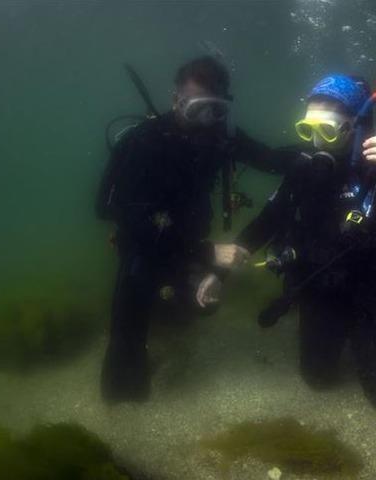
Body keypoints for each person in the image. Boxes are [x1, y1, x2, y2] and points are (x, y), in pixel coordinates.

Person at [233, 74, 376, 410]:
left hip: (374, 295)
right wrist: (240, 248)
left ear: (355, 126)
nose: (316, 142)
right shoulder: (303, 168)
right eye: (308, 130)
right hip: (322, 291)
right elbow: (272, 217)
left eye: (328, 130)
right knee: (317, 377)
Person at [96, 56, 296, 403]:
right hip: (144, 248)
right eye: (196, 109)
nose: (206, 120)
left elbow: (272, 160)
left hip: (185, 246)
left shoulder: (222, 138)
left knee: (202, 305)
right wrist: (208, 252)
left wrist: (323, 153)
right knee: (123, 380)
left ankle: (167, 309)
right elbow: (107, 209)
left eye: (215, 110)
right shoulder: (144, 142)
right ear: (176, 101)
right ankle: (148, 313)